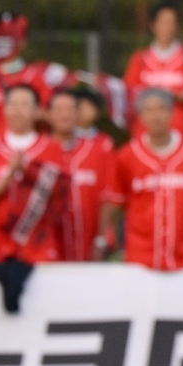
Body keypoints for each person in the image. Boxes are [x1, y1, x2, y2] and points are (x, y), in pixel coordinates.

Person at [0, 12, 67, 260]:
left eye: (12, 37)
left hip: (29, 161)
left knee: (27, 221)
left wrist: (36, 112)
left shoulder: (34, 76)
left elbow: (51, 114)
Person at [0, 84, 68, 312]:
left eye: (25, 105)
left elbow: (58, 199)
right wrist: (11, 175)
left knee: (42, 307)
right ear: (4, 110)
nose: (18, 110)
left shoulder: (52, 148)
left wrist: (30, 174)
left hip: (39, 245)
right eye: (12, 104)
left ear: (37, 112)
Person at [101, 88, 183, 271]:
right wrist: (105, 241)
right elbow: (114, 203)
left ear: (172, 112)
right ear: (139, 116)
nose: (155, 115)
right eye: (148, 110)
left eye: (161, 108)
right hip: (140, 258)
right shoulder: (126, 156)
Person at [48, 88, 116, 263]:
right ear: (48, 114)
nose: (65, 115)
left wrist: (102, 240)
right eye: (59, 110)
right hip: (48, 250)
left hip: (89, 246)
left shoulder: (98, 148)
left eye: (70, 109)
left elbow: (108, 197)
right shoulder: (37, 151)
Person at [123, 2, 183, 137]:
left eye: (171, 22)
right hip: (145, 134)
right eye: (162, 22)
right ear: (153, 25)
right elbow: (128, 96)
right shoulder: (140, 59)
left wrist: (165, 94)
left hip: (181, 131)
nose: (166, 27)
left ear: (177, 26)